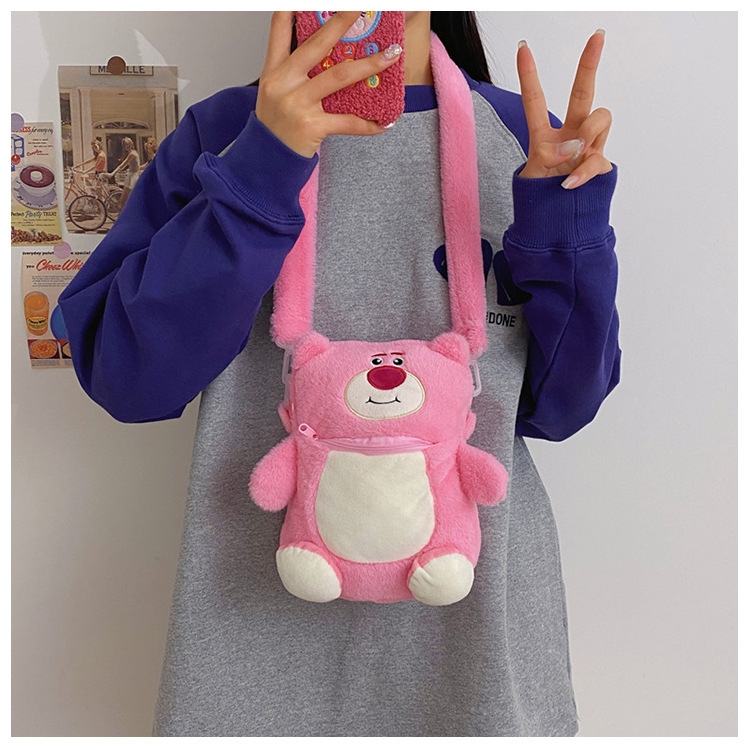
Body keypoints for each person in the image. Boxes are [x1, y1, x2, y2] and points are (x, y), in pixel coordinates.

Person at [58, 11, 620, 737]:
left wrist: (564, 231)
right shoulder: (225, 132)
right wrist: (262, 167)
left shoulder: (524, 139)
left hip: (476, 651)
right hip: (248, 658)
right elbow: (128, 378)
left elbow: (559, 409)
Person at [108, 136, 140, 211]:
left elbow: (122, 165)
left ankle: (124, 215)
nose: (127, 146)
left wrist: (112, 174)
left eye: (128, 144)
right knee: (128, 200)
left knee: (123, 201)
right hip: (132, 176)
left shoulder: (132, 154)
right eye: (125, 145)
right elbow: (137, 166)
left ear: (132, 144)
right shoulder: (133, 153)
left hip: (132, 177)